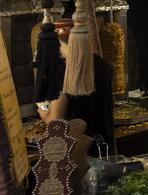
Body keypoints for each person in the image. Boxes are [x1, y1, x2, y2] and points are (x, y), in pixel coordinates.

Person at [39, 12, 115, 151]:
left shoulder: (63, 73)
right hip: (105, 146)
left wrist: (44, 115)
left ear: (59, 43)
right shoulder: (103, 66)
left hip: (79, 152)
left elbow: (56, 122)